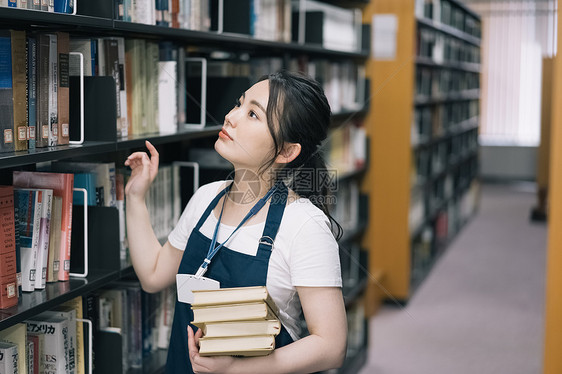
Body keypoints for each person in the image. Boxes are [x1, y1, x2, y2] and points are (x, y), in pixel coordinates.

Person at [124, 70, 347, 373]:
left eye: (253, 114)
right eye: (239, 104)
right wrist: (135, 199)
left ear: (286, 151)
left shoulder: (305, 225)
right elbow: (152, 275)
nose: (231, 116)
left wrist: (233, 370)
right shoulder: (205, 198)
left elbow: (330, 346)